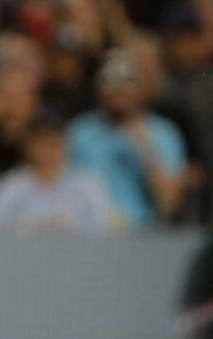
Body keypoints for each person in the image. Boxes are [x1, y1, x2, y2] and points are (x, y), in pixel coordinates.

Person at [68, 49, 186, 229]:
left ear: (141, 86)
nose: (118, 88)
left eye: (126, 80)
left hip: (143, 231)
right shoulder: (79, 132)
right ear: (97, 85)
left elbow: (169, 202)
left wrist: (145, 146)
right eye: (109, 79)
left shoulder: (163, 132)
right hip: (90, 231)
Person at [0, 114, 114, 235]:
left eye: (53, 142)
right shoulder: (10, 187)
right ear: (28, 146)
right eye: (40, 142)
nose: (46, 150)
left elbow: (100, 231)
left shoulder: (88, 185)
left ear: (64, 143)